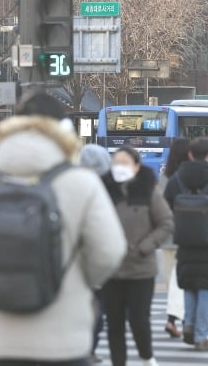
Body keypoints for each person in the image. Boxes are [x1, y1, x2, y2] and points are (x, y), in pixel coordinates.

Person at [0, 94, 127, 366]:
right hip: (64, 341)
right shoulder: (82, 181)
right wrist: (76, 280)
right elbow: (110, 252)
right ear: (64, 131)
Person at [101, 146, 173, 366]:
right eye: (116, 163)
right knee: (114, 324)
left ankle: (146, 357)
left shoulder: (148, 193)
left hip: (141, 269)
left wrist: (146, 246)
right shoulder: (103, 192)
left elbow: (166, 223)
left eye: (124, 163)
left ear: (136, 166)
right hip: (111, 270)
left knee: (139, 320)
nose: (119, 168)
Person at [164, 137, 208, 351]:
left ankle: (188, 324)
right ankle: (201, 336)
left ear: (189, 155)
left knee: (189, 285)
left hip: (185, 242)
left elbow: (167, 207)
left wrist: (180, 228)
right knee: (206, 288)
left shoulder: (176, 180)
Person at [78, 144, 112, 364]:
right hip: (99, 264)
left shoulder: (70, 185)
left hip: (74, 265)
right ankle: (89, 348)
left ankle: (83, 348)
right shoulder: (111, 189)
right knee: (97, 310)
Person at [158, 138, 190, 338]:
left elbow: (160, 205)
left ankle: (174, 320)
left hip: (167, 238)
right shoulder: (190, 176)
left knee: (172, 282)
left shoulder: (165, 176)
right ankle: (179, 320)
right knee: (184, 281)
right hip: (187, 236)